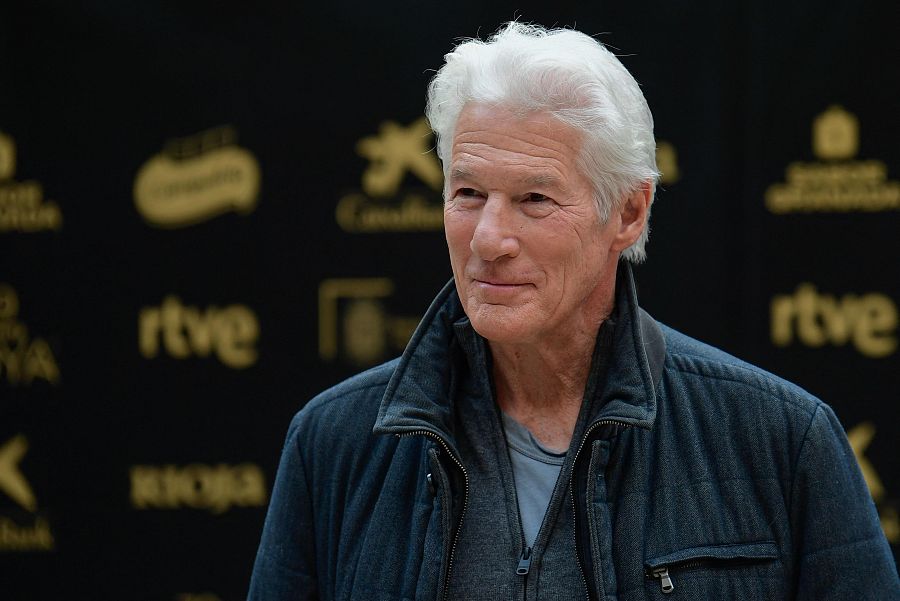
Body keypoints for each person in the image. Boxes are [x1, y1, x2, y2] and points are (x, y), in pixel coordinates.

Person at [248, 22, 899, 600]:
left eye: (534, 199)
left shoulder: (782, 442)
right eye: (468, 192)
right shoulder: (333, 442)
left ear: (629, 212)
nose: (488, 239)